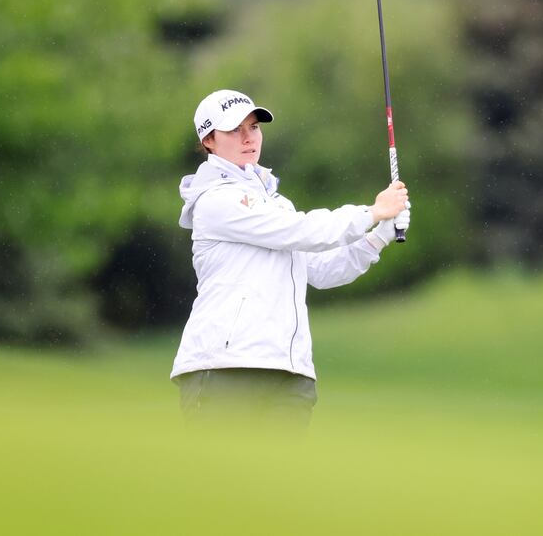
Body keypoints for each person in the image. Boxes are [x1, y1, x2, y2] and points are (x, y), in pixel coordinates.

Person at [171, 89, 411, 429]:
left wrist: (378, 237)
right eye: (234, 129)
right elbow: (300, 231)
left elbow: (322, 270)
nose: (248, 137)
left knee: (279, 482)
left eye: (253, 127)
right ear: (209, 140)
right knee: (224, 481)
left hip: (289, 371)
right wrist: (372, 212)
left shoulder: (275, 202)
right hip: (226, 365)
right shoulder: (214, 200)